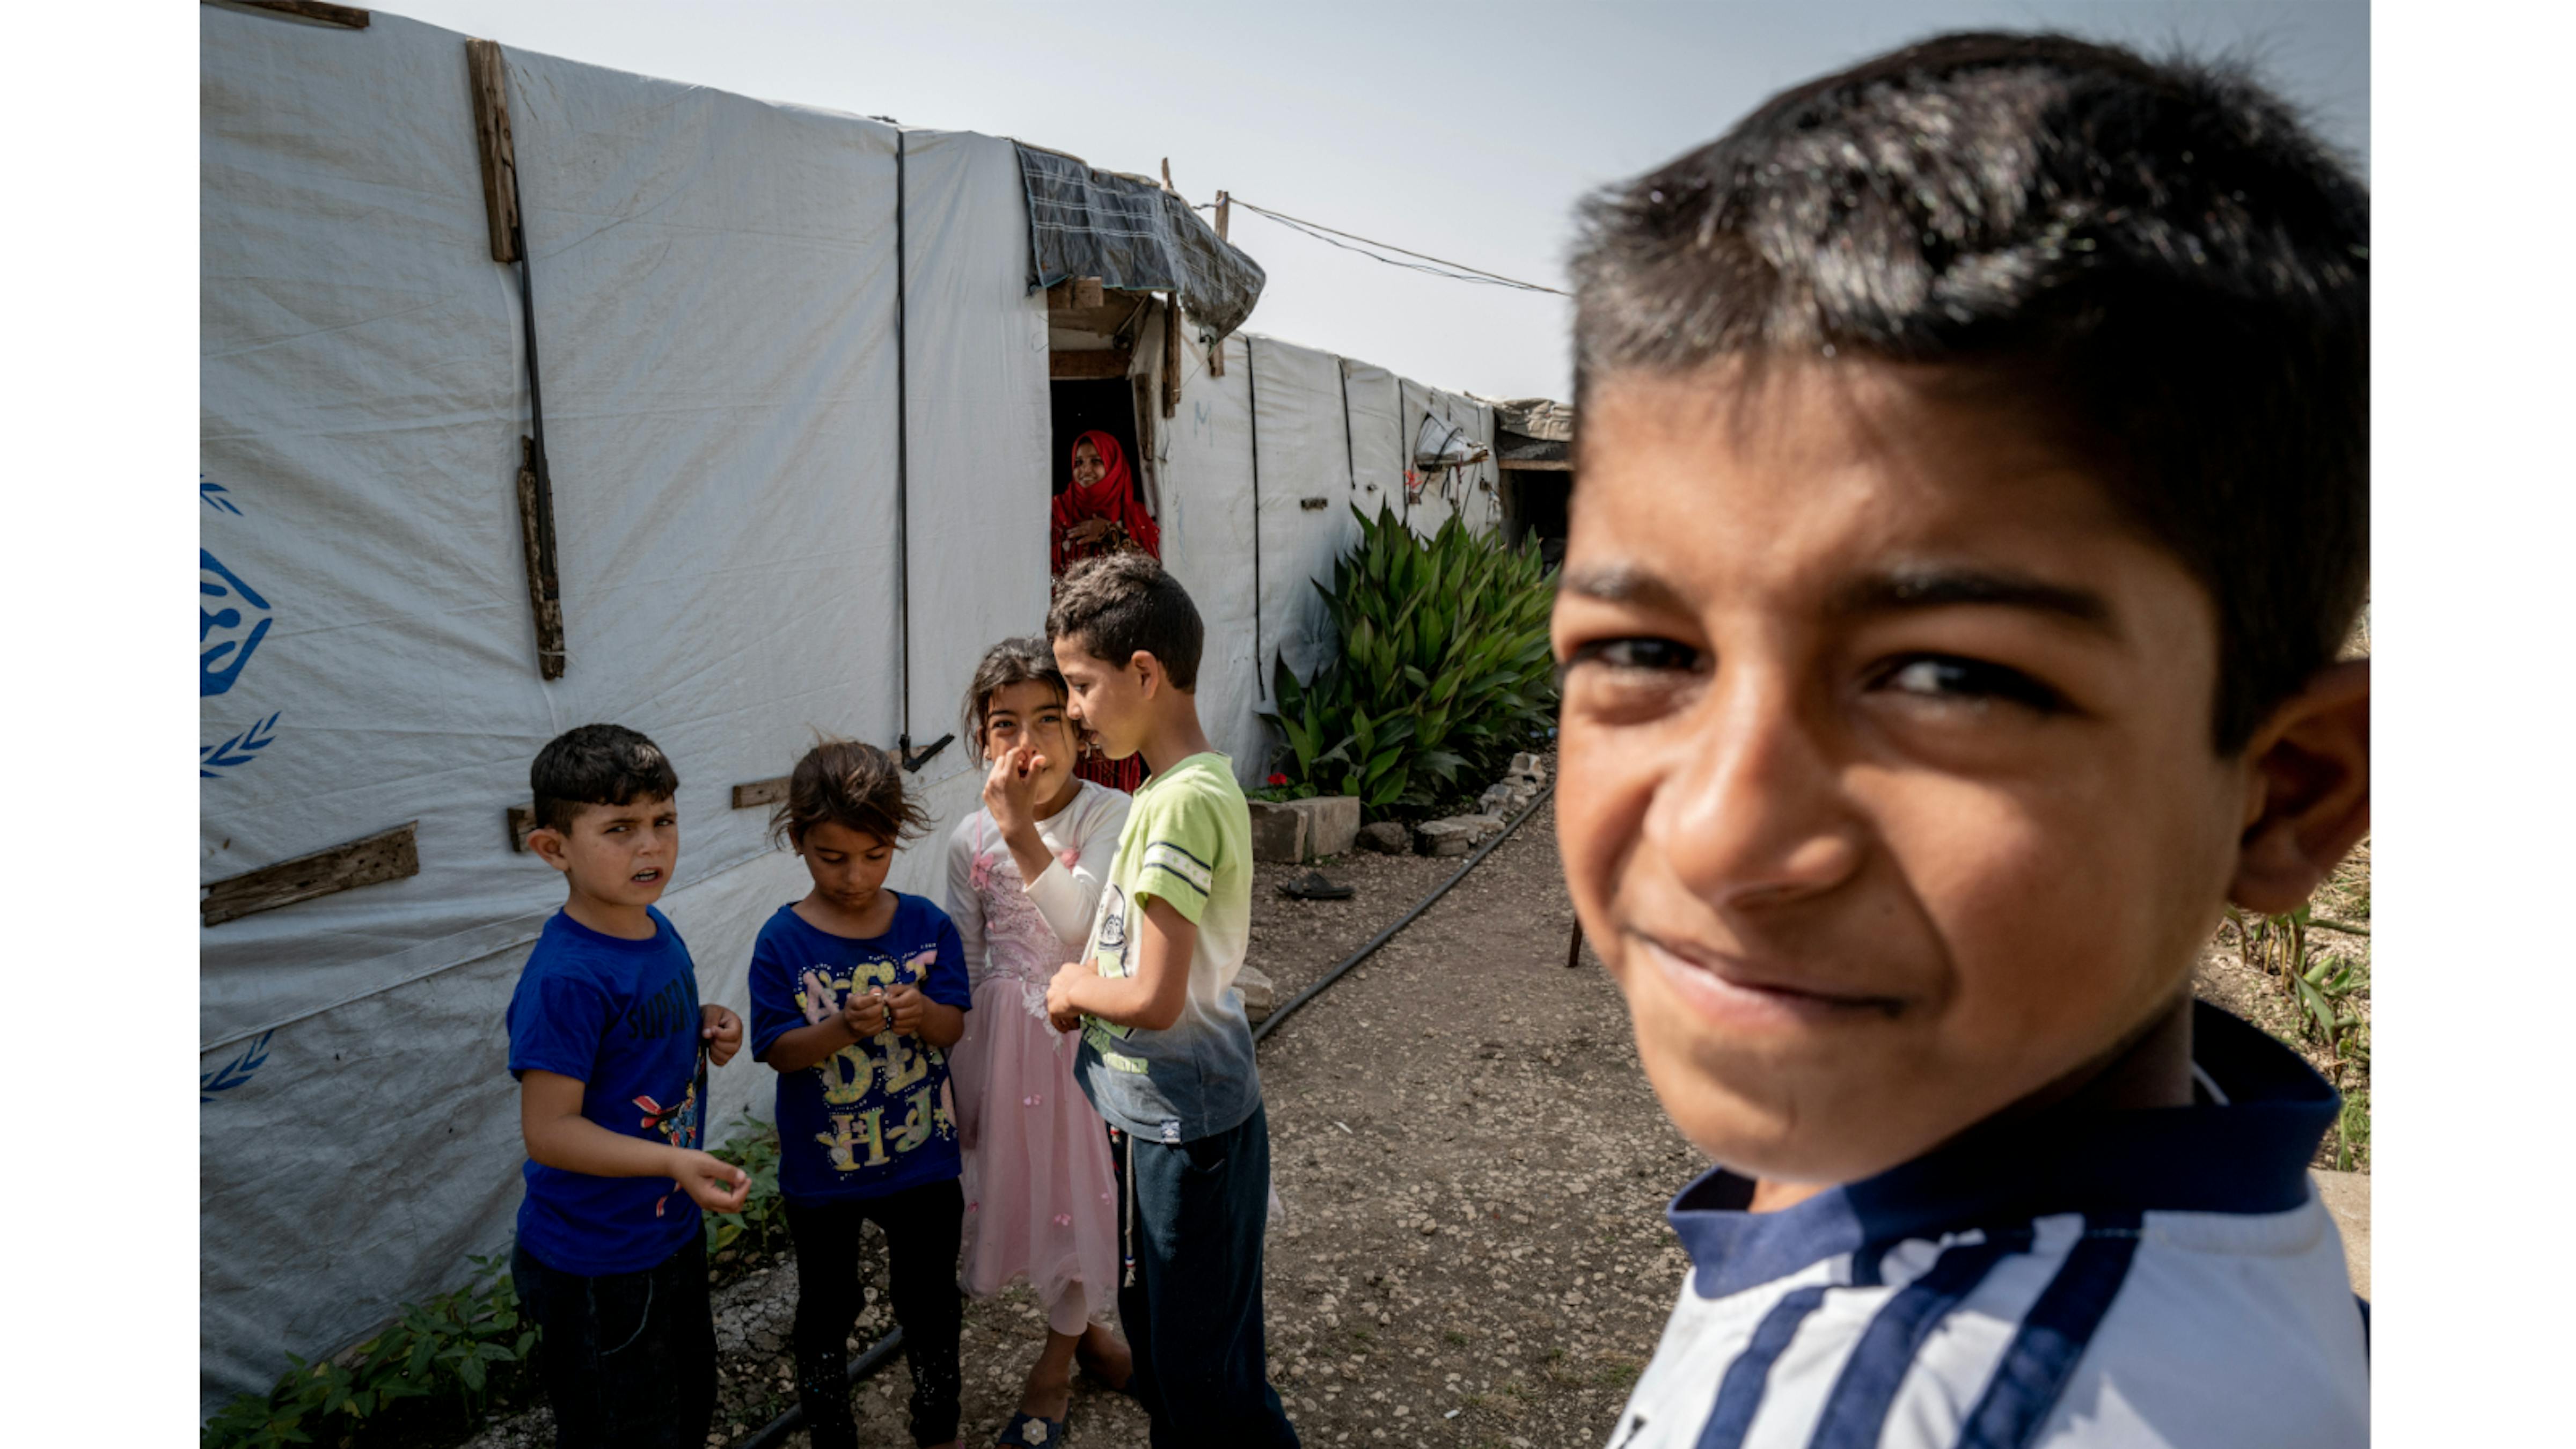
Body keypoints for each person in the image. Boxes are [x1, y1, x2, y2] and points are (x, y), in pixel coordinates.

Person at [1554, 33, 2369, 1449]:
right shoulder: (2220, 1157)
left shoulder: (1882, 1411)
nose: (1721, 829)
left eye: (1947, 676)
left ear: (2283, 791)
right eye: (1645, 652)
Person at [1042, 553, 1299, 1448]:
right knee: (1186, 1348)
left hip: (1191, 1133)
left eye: (1080, 684)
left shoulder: (1180, 803)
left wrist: (1075, 987)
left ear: (1144, 673)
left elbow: (1154, 996)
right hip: (1170, 1121)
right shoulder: (1177, 789)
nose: (1072, 710)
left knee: (1200, 1381)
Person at [504, 723, 751, 1449]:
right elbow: (549, 1131)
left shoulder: (651, 927)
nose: (651, 846)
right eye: (620, 828)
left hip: (666, 1231)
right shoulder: (567, 977)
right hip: (594, 1260)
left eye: (663, 822)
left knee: (686, 1401)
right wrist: (675, 1161)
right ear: (554, 848)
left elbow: (638, 1037)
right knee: (624, 1428)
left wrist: (707, 1023)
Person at [747, 740, 972, 1449]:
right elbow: (780, 1050)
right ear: (797, 842)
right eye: (831, 857)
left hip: (924, 1165)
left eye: (874, 855)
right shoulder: (781, 941)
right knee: (825, 1313)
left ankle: (937, 1425)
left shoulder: (927, 926)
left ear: (896, 839)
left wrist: (922, 1015)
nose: (853, 876)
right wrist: (840, 1028)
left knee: (933, 1308)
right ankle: (830, 1432)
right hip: (824, 1176)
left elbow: (953, 1027)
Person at [943, 636, 1137, 1446]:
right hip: (1001, 1046)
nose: (1026, 745)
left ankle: (1054, 1365)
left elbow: (1080, 923)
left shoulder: (1110, 814)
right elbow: (964, 957)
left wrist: (1019, 827)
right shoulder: (967, 840)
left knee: (1082, 1205)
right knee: (1021, 1200)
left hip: (1083, 1041)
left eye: (1048, 720)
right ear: (981, 740)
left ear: (1078, 730)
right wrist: (961, 1078)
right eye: (1003, 725)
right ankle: (1086, 1332)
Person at [1051, 429, 1160, 795]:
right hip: (1068, 650)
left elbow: (1153, 577)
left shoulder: (1134, 517)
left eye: (1096, 461)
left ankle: (1116, 828)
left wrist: (1111, 534)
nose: (1086, 470)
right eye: (1079, 463)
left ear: (1114, 466)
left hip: (1118, 650)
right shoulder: (1058, 511)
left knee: (1114, 736)